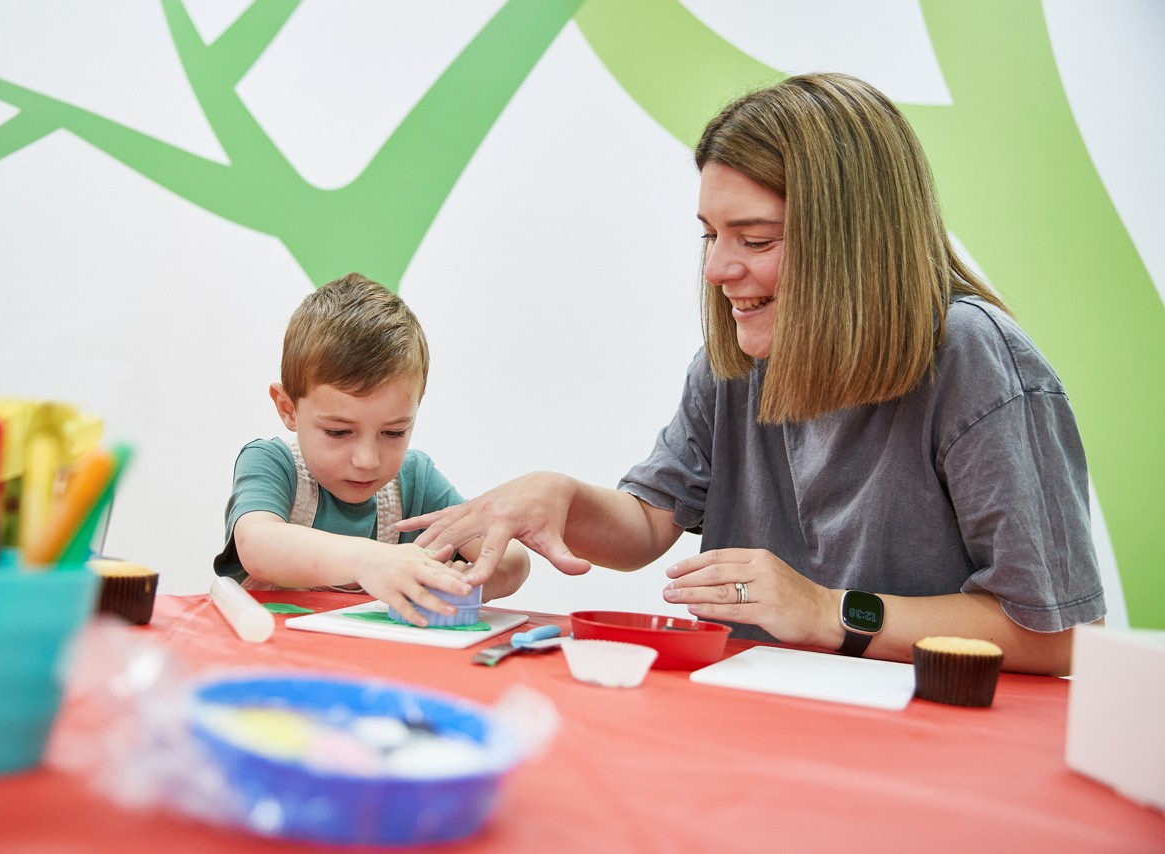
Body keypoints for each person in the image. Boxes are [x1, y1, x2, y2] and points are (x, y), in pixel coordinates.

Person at [399, 73, 1105, 674]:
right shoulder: (734, 366)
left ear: (853, 240)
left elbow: (1059, 635)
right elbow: (649, 523)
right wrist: (562, 497)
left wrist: (830, 611)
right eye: (711, 234)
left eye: (756, 239)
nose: (717, 269)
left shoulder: (974, 357)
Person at [214, 272, 529, 626]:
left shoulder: (416, 481)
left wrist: (468, 581)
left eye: (393, 433)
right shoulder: (272, 463)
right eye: (338, 431)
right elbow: (258, 544)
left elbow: (511, 557)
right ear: (288, 409)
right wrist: (369, 560)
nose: (367, 461)